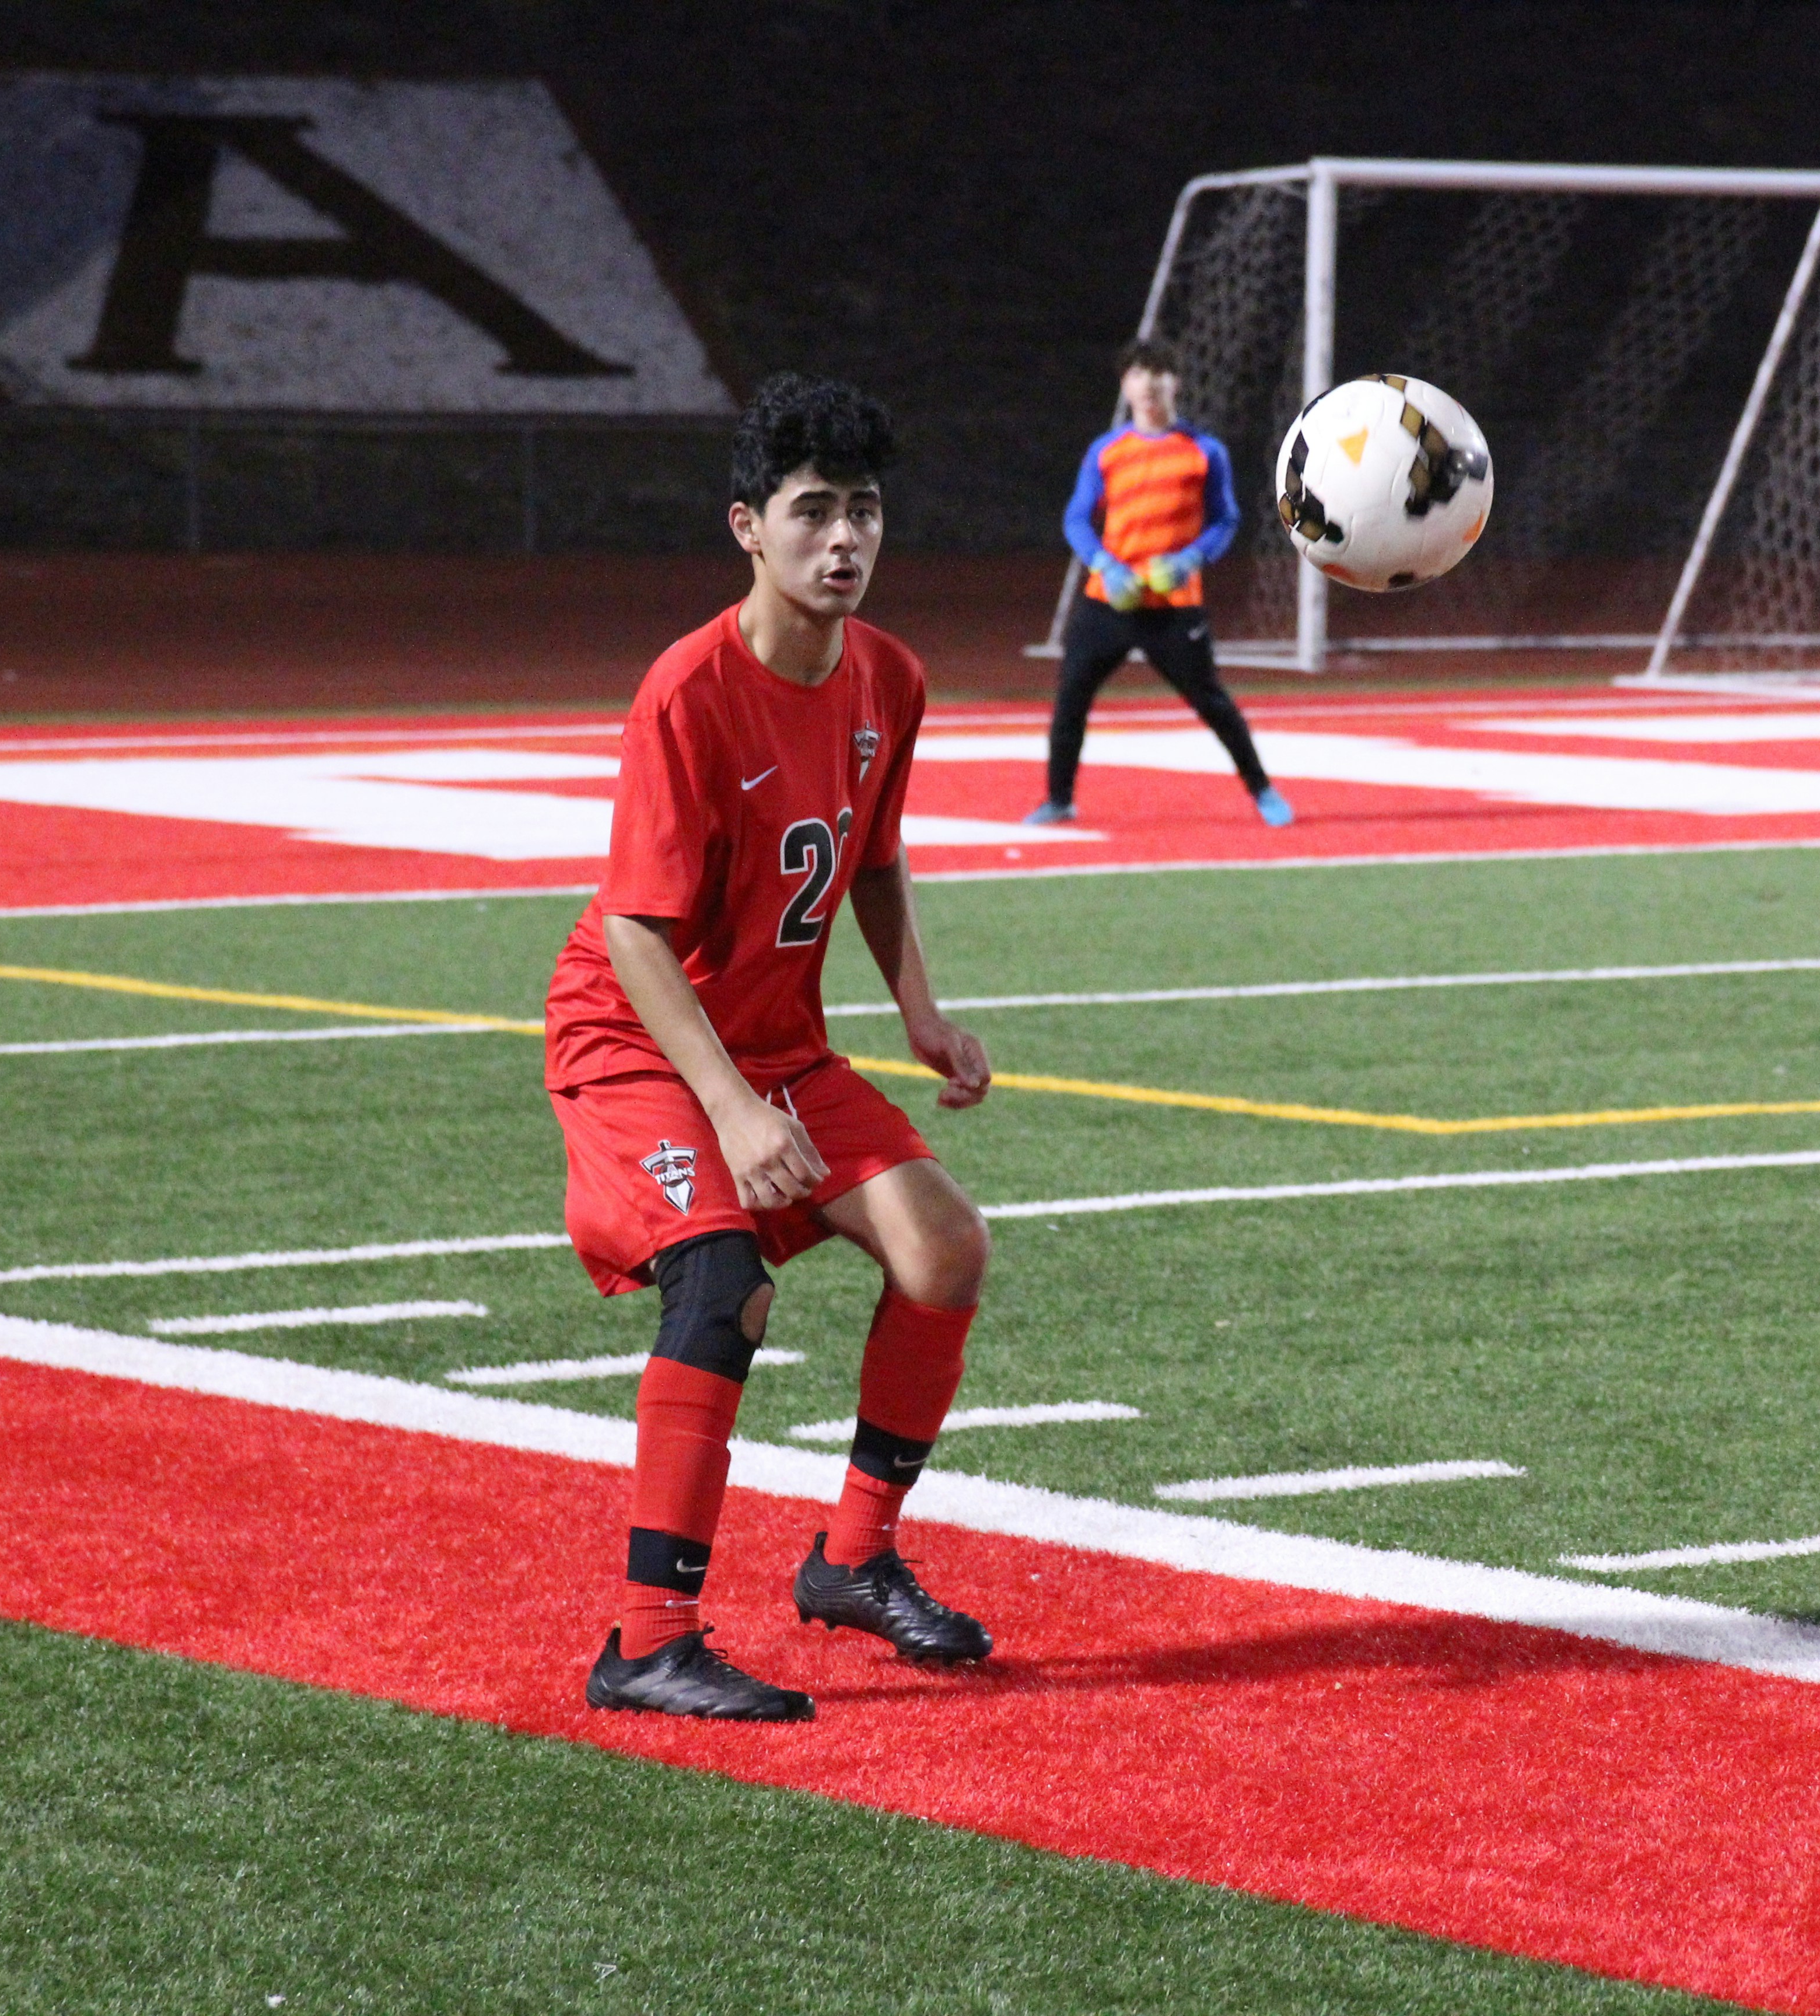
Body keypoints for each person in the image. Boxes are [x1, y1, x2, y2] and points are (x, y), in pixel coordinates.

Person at [550, 371, 997, 1721]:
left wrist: (918, 1009)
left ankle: (850, 1560)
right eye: (812, 512)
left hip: (772, 1040)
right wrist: (737, 1112)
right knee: (723, 1281)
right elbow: (635, 933)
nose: (843, 540)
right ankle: (645, 1639)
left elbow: (870, 856)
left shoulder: (888, 676)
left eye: (863, 510)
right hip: (637, 1042)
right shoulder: (688, 690)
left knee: (944, 1247)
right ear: (748, 525)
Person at [1030, 338, 1293, 829]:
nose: (1149, 384)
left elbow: (1225, 520)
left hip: (1174, 606)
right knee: (1070, 699)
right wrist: (1105, 565)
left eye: (1159, 373)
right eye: (1138, 374)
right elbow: (1077, 521)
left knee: (1212, 701)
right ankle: (1059, 799)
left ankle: (1263, 790)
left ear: (1176, 382)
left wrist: (1190, 559)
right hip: (1109, 602)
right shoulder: (1107, 452)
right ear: (1126, 386)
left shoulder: (1204, 451)